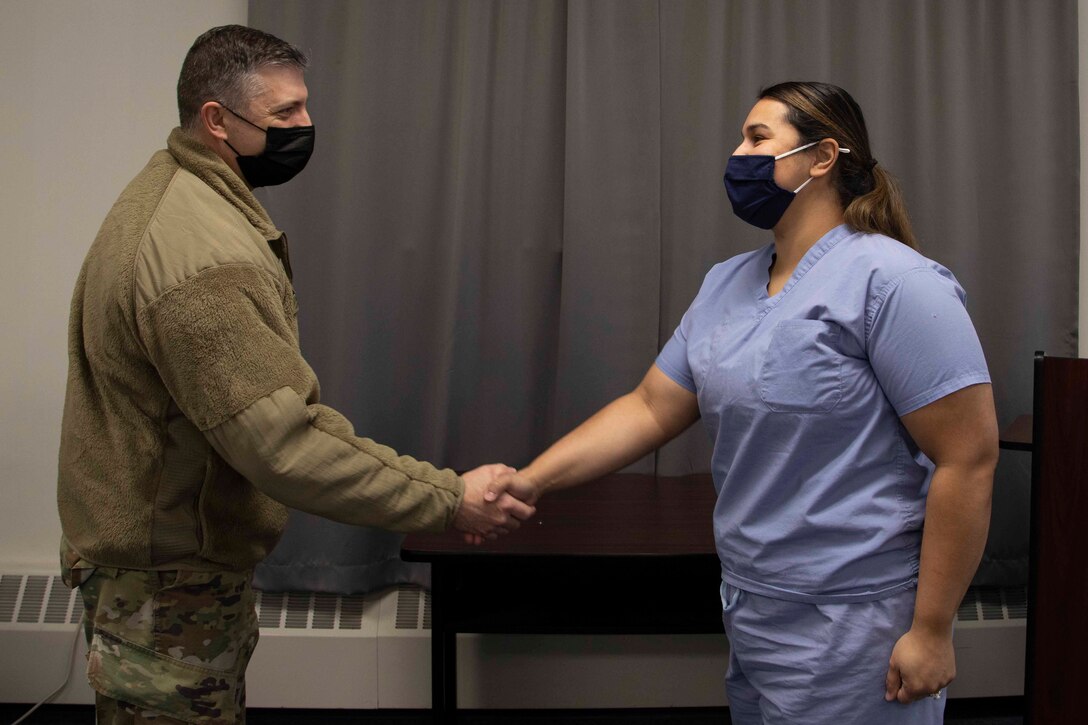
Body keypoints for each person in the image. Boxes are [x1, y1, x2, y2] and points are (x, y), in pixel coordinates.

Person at [56, 25, 532, 724]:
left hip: (156, 568)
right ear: (216, 119)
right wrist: (448, 497)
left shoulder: (179, 194)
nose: (306, 127)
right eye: (283, 115)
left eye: (304, 107)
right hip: (166, 583)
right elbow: (286, 443)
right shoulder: (202, 257)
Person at [491, 81, 997, 723]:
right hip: (755, 606)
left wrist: (932, 628)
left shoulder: (896, 283)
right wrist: (528, 482)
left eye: (758, 139)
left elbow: (968, 459)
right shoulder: (727, 282)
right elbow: (650, 407)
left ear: (822, 158)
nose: (738, 154)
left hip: (854, 619)